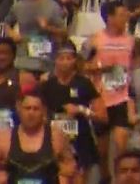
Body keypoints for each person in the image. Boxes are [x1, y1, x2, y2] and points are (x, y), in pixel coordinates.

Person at [84, 1, 136, 181]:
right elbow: (82, 66)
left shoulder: (131, 40)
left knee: (122, 143)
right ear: (110, 18)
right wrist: (101, 69)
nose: (125, 18)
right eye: (122, 15)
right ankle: (106, 178)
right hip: (101, 98)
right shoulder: (95, 39)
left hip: (122, 97)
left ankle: (122, 178)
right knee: (102, 150)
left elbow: (135, 65)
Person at [41, 41, 105, 181]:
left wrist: (81, 110)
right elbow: (40, 115)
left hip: (81, 141)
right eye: (61, 58)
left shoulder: (84, 83)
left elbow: (102, 116)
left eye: (69, 58)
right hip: (56, 143)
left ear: (75, 60)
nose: (65, 62)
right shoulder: (47, 86)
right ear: (55, 60)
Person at [0, 90, 73, 183]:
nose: (31, 113)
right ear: (19, 109)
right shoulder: (4, 138)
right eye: (27, 108)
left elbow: (71, 167)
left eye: (35, 109)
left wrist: (64, 176)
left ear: (43, 111)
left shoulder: (57, 137)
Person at [7, 0, 67, 75]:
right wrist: (12, 34)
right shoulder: (18, 6)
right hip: (23, 61)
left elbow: (64, 33)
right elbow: (6, 24)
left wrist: (47, 27)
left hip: (46, 62)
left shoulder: (52, 6)